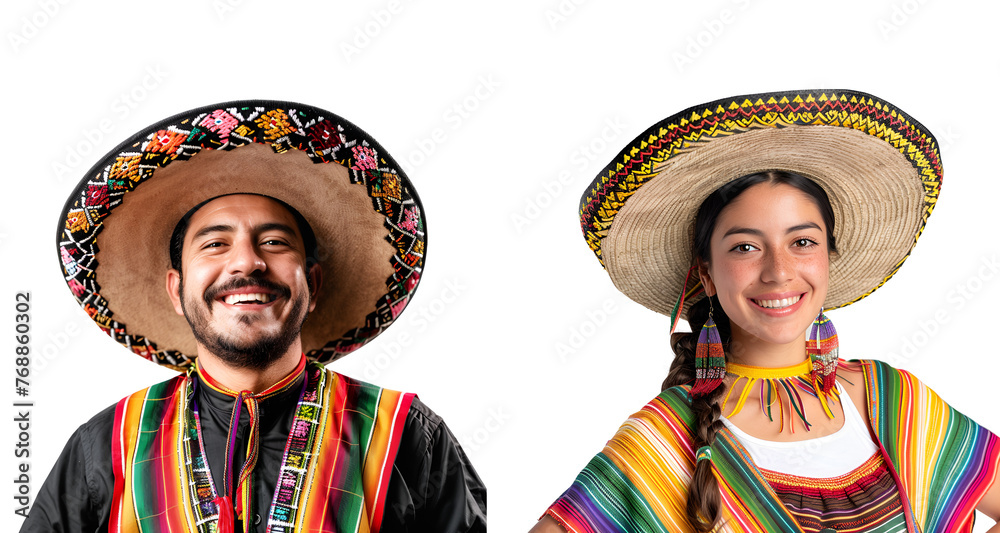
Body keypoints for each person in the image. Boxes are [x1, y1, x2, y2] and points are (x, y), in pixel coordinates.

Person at [531, 90, 1000, 532]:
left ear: (828, 257)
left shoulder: (894, 400)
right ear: (707, 275)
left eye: (802, 242)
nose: (779, 271)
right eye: (745, 247)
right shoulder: (665, 440)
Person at [24, 101, 486, 533]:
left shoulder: (407, 437)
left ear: (313, 284)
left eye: (274, 242)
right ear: (176, 290)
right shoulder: (106, 448)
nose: (247, 262)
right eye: (215, 244)